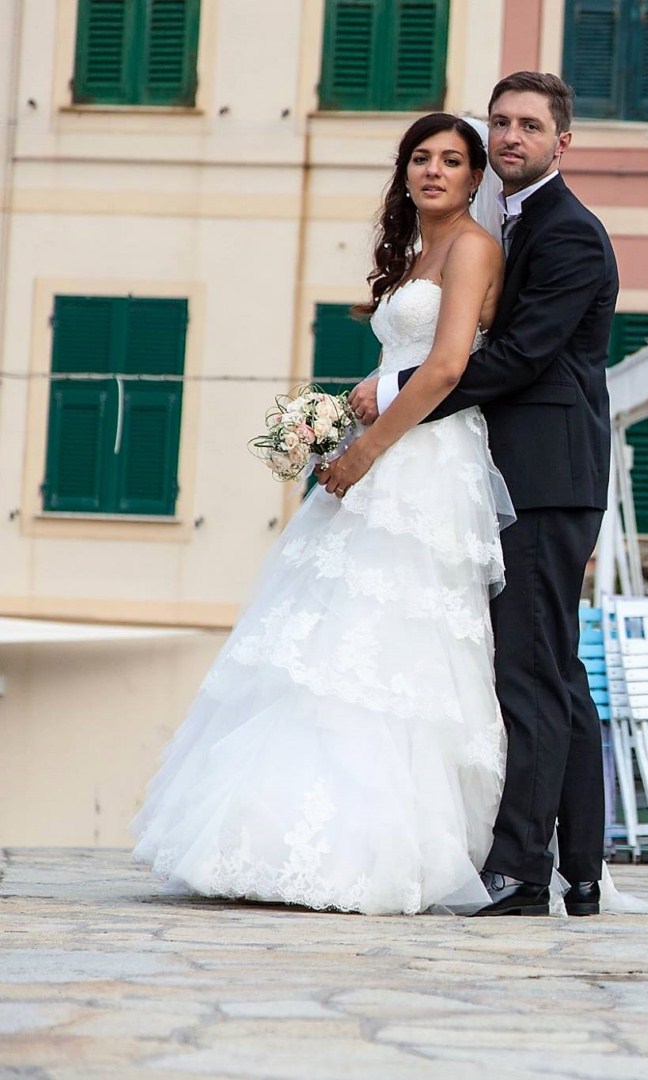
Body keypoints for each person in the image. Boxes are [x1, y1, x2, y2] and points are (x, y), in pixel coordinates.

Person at [132, 113, 510, 914]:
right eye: (420, 159)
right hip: (384, 438)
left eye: (450, 160)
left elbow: (447, 366)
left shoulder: (475, 247)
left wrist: (369, 449)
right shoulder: (416, 254)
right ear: (405, 172)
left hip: (425, 458)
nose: (433, 171)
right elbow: (404, 359)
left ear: (476, 178)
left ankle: (374, 848)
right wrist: (346, 414)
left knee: (392, 639)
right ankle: (270, 835)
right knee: (319, 638)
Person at [339, 72, 617, 918]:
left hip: (545, 476)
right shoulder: (515, 222)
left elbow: (518, 357)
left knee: (531, 674)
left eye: (528, 126)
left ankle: (524, 872)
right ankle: (583, 868)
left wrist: (395, 398)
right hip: (514, 473)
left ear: (561, 143)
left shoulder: (567, 235)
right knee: (554, 671)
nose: (509, 138)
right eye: (500, 123)